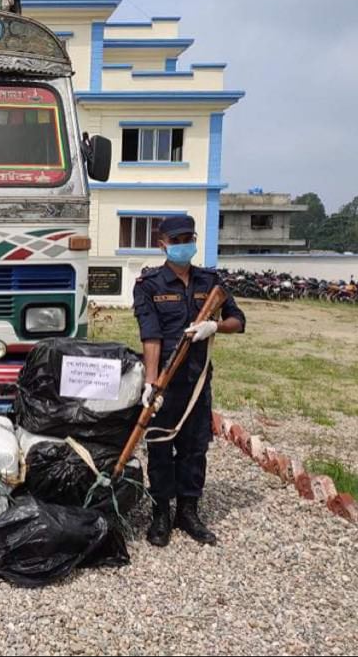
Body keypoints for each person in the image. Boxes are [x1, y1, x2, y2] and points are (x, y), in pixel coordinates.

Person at [132, 215, 245, 547]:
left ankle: (188, 511)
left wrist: (215, 327)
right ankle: (161, 513)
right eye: (177, 240)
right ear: (163, 244)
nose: (184, 245)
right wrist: (151, 384)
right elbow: (150, 336)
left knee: (195, 449)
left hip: (197, 382)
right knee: (160, 446)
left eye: (188, 238)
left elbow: (238, 320)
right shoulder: (149, 285)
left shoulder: (210, 281)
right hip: (166, 381)